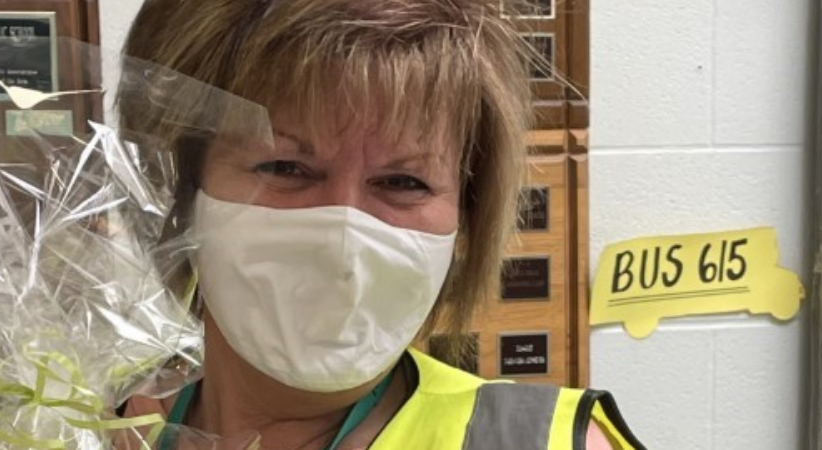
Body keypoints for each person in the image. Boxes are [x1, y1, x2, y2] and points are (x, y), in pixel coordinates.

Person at [118, 0, 644, 449]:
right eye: (285, 168)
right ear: (178, 188)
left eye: (403, 183)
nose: (343, 240)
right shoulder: (70, 420)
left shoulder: (540, 441)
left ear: (466, 215)